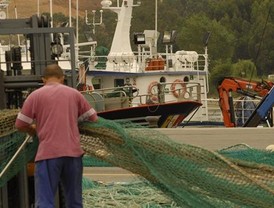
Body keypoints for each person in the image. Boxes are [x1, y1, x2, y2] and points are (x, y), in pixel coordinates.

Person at [15, 64, 98, 208]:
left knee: (45, 202)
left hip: (48, 154)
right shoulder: (74, 94)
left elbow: (20, 124)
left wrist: (33, 129)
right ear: (62, 78)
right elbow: (93, 118)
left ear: (43, 79)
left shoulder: (35, 96)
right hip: (73, 154)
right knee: (75, 202)